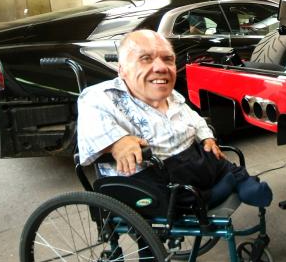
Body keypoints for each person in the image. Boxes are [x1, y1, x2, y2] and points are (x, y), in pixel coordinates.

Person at [77, 29, 271, 208]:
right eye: (145, 59)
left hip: (188, 158)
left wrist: (206, 137)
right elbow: (91, 124)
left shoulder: (172, 95)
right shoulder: (100, 96)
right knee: (169, 193)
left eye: (168, 59)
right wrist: (117, 142)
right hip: (150, 172)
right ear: (122, 70)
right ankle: (211, 195)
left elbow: (195, 119)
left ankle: (240, 179)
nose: (161, 67)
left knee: (215, 157)